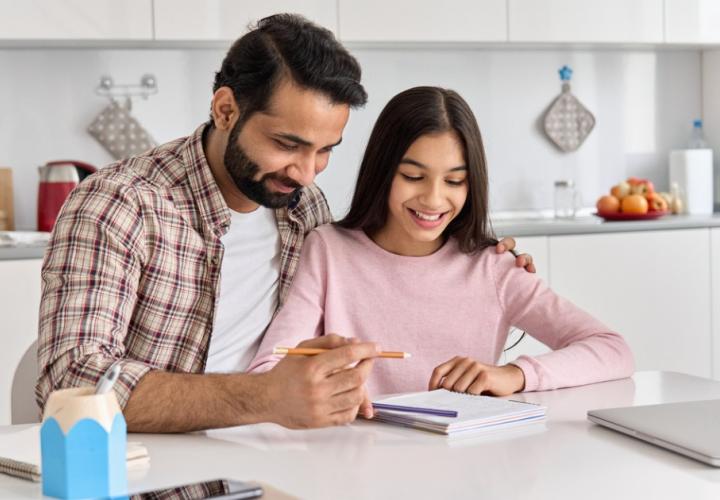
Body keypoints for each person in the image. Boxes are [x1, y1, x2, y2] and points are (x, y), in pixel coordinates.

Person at [35, 15, 533, 433]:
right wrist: (263, 397)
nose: (305, 171)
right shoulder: (119, 206)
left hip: (281, 459)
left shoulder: (302, 207)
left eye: (325, 151)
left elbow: (373, 275)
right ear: (226, 109)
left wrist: (474, 256)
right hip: (155, 475)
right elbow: (74, 385)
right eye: (288, 144)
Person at [249, 86, 634, 398]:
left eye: (454, 181)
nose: (433, 199)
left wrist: (514, 375)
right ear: (383, 173)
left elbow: (612, 350)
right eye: (414, 177)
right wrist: (322, 386)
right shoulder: (329, 250)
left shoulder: (494, 267)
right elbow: (269, 369)